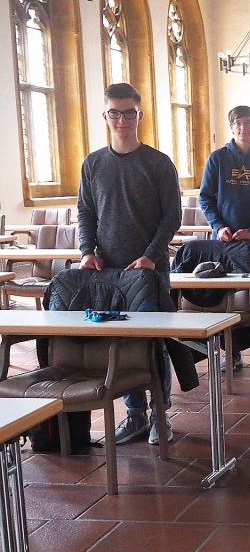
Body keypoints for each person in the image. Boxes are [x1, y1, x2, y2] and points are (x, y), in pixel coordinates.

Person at [78, 82, 182, 445]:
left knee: (154, 343)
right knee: (118, 343)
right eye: (114, 112)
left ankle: (161, 416)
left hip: (149, 269)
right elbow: (86, 212)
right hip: (109, 271)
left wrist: (151, 256)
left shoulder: (157, 162)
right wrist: (86, 250)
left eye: (128, 112)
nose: (121, 119)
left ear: (139, 115)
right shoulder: (93, 163)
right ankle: (134, 415)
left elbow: (172, 216)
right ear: (105, 116)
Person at [198, 105, 250, 369]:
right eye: (238, 123)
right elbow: (206, 198)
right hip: (225, 242)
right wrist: (219, 225)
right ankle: (231, 352)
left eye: (248, 123)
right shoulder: (218, 158)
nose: (243, 128)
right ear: (231, 127)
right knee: (227, 299)